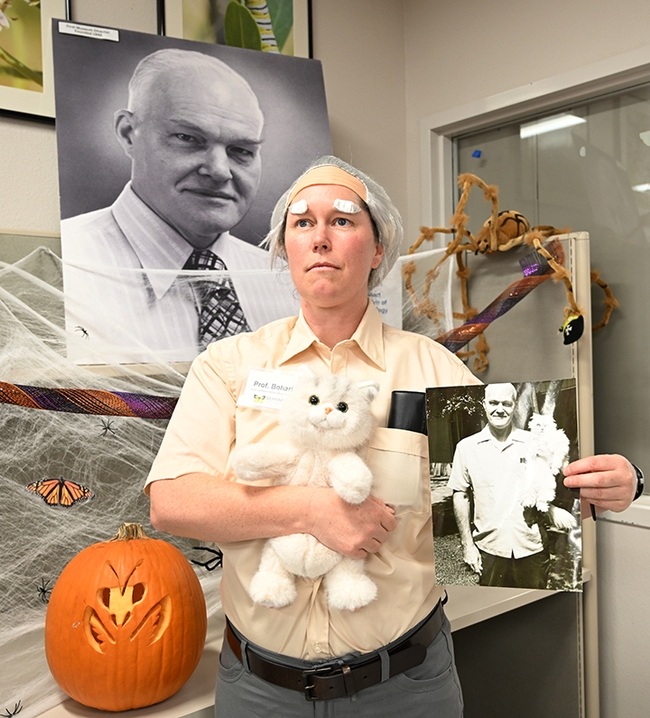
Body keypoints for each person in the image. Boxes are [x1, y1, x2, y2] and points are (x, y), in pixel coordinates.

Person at [146, 156, 638, 717]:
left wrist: (612, 486)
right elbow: (172, 502)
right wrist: (309, 510)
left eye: (344, 220)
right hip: (259, 692)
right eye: (302, 223)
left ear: (378, 249)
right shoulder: (229, 367)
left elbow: (519, 479)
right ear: (285, 250)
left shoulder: (434, 370)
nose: (321, 237)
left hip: (405, 689)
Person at [61, 48, 295, 362]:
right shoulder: (64, 264)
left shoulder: (287, 284)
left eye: (241, 150)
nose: (219, 170)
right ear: (128, 133)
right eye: (188, 138)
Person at [448, 383, 575, 589]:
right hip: (490, 549)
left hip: (531, 547)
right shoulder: (466, 448)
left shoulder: (534, 442)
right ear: (484, 405)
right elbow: (460, 495)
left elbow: (556, 473)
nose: (500, 409)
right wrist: (467, 546)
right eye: (493, 403)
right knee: (493, 615)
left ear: (514, 405)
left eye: (506, 403)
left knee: (536, 612)